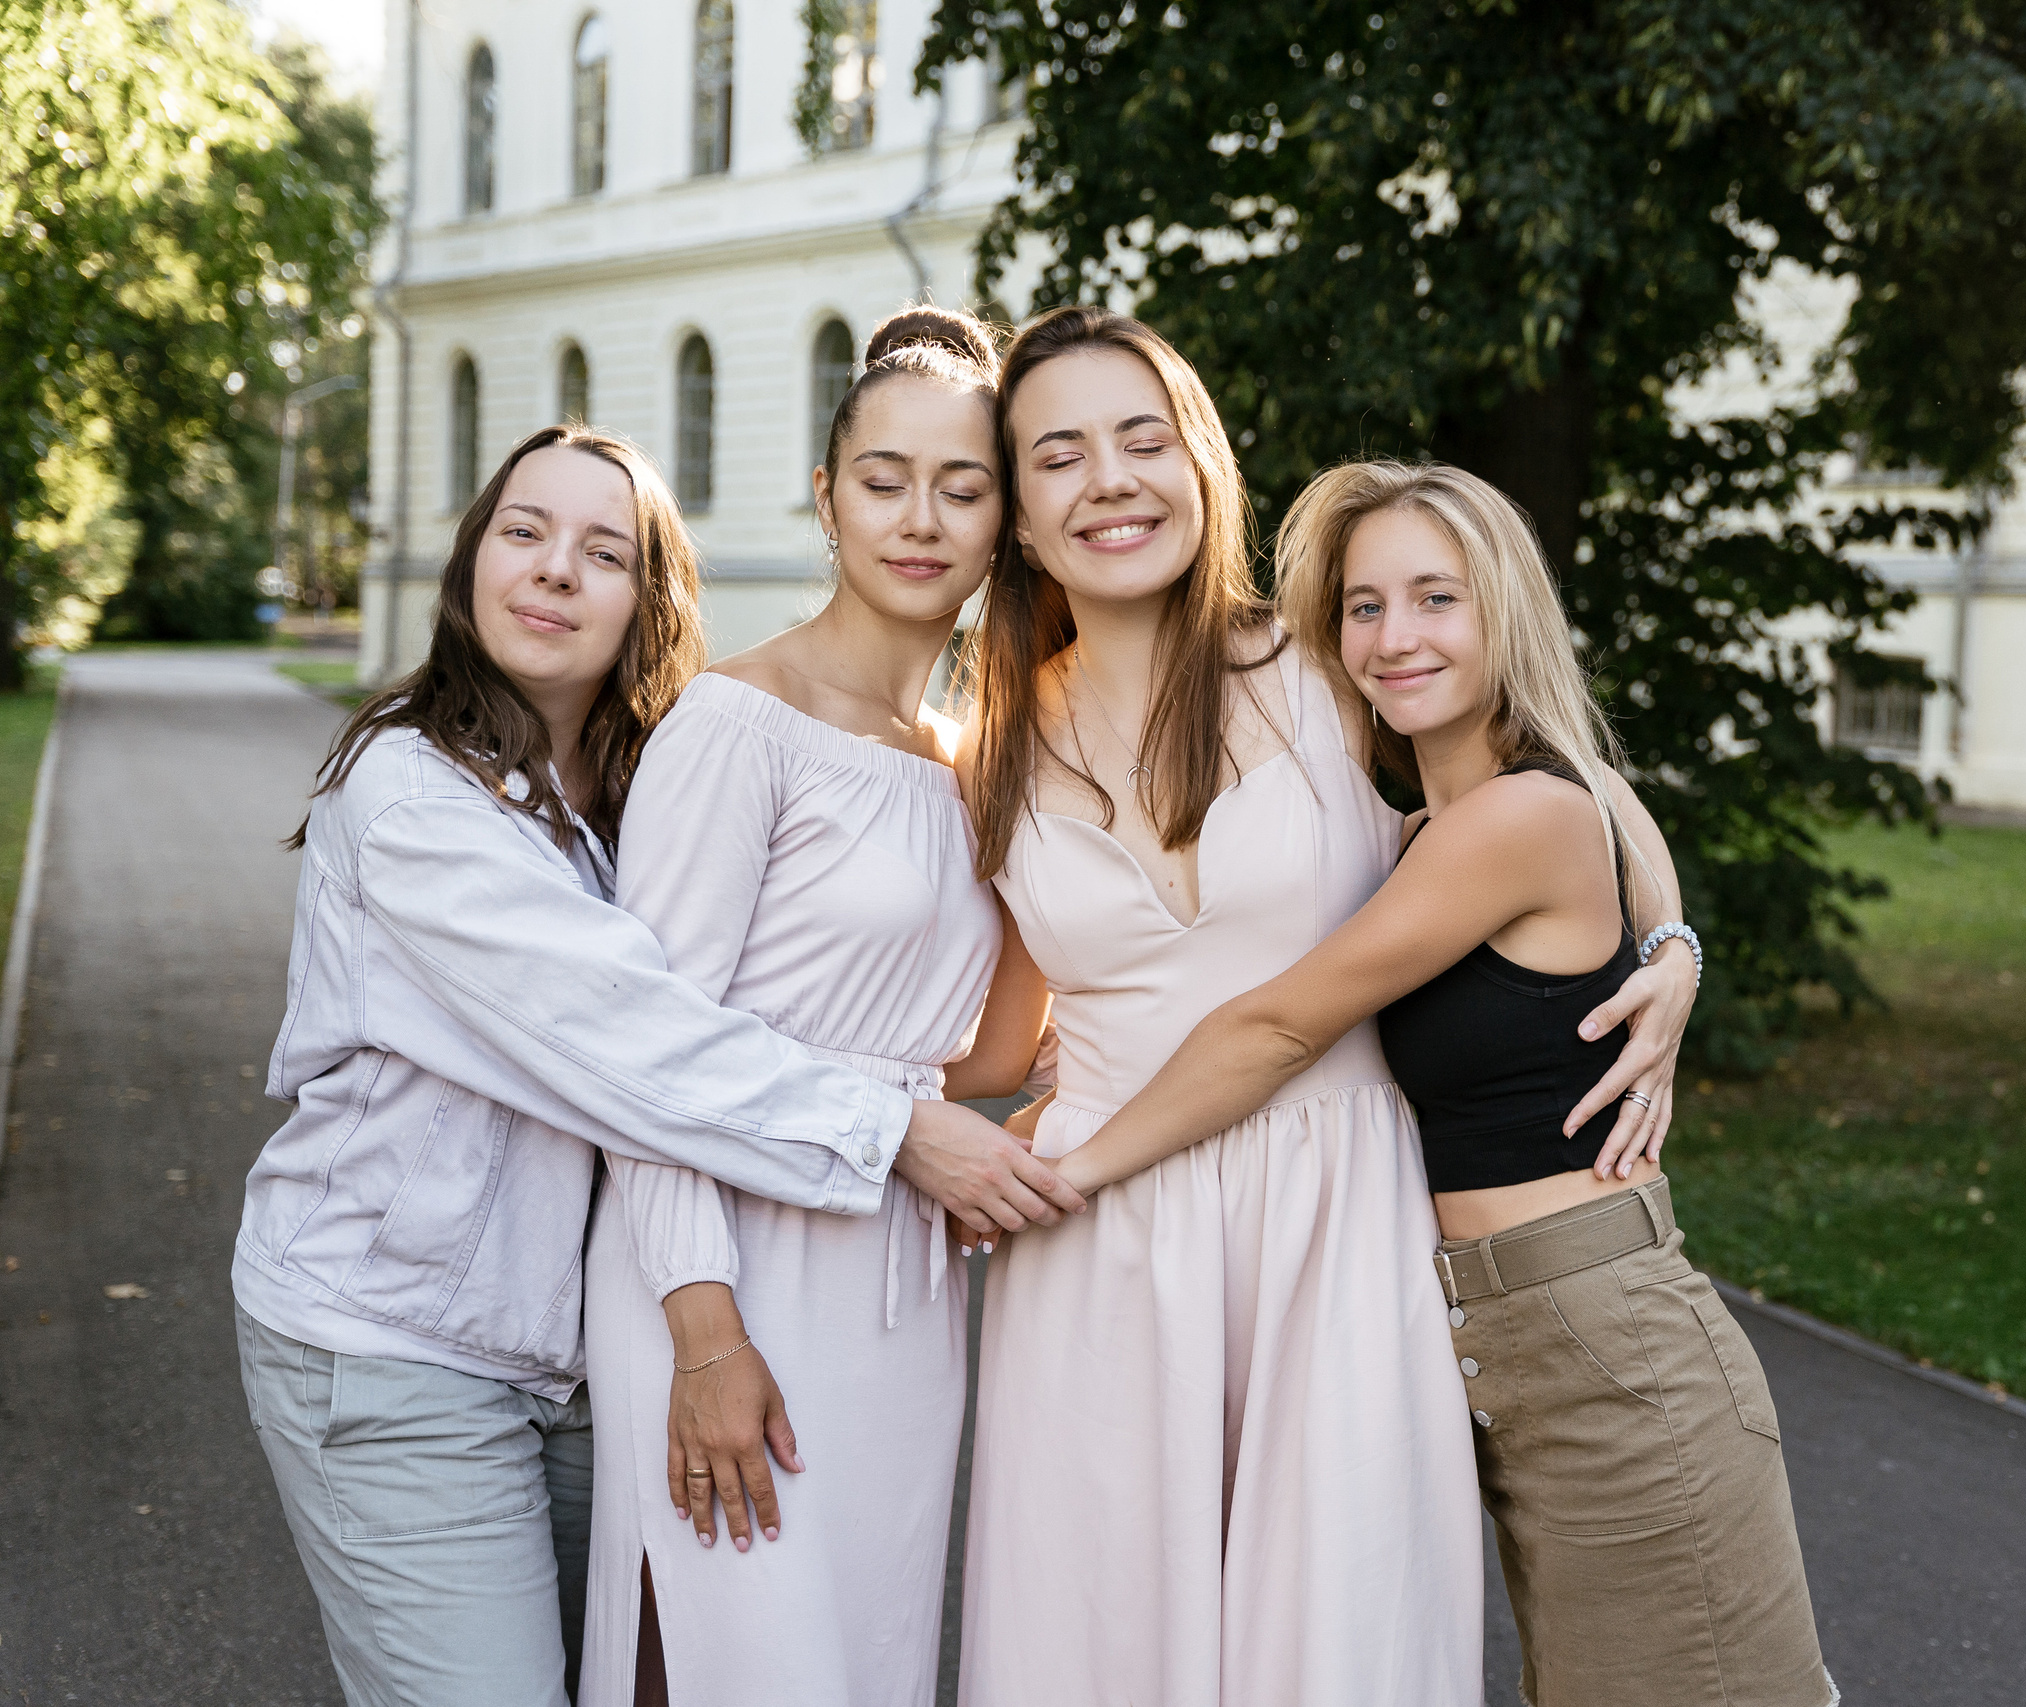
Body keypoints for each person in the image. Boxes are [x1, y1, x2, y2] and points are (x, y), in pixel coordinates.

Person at [232, 424, 1071, 1707]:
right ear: (469, 567)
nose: (556, 571)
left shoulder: (617, 791)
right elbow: (635, 1037)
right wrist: (897, 1131)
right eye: (524, 533)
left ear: (647, 596)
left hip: (562, 1349)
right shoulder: (408, 801)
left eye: (602, 551)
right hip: (392, 1339)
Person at [951, 310, 1697, 1707]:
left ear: (1200, 463)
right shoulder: (989, 741)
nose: (1109, 477)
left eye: (1140, 437)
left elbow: (1568, 786)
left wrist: (1672, 941)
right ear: (1022, 520)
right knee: (1095, 1637)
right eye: (1059, 455)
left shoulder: (1323, 665)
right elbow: (996, 1032)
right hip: (1094, 1233)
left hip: (1337, 1217)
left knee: (1335, 1635)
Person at [1060, 460, 1836, 1707]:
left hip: (1610, 1354)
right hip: (1507, 1347)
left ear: (1503, 613)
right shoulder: (1435, 828)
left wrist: (1067, 1170)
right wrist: (1674, 944)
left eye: (1437, 597)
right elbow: (1621, 808)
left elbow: (1275, 1026)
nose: (1393, 636)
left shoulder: (1512, 821)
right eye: (1363, 606)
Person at [578, 308, 1069, 1707]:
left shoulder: (970, 758)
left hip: (899, 1280)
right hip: (728, 1258)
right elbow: (647, 1058)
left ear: (1006, 523)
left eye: (964, 488)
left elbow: (973, 1051)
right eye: (884, 479)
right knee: (726, 1645)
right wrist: (704, 1332)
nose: (921, 518)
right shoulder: (737, 724)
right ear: (827, 497)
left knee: (856, 1656)